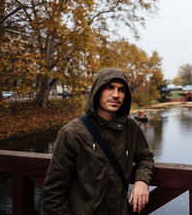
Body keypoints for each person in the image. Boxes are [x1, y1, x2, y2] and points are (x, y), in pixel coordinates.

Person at [42, 68, 154, 215]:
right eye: (109, 88)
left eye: (121, 90)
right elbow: (53, 194)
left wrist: (142, 181)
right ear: (97, 90)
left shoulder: (131, 129)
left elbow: (146, 157)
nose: (115, 95)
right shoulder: (72, 133)